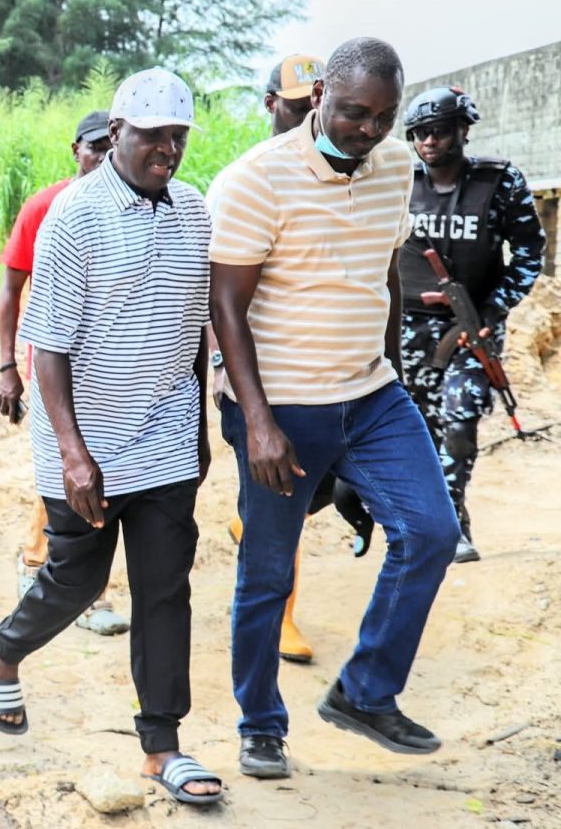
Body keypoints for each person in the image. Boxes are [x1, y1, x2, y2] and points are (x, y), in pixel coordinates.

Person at [209, 38, 461, 781]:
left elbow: (385, 273)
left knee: (432, 531)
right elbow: (226, 306)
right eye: (353, 112)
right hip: (283, 406)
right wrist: (257, 420)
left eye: (383, 117)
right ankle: (260, 724)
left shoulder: (396, 166)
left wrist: (396, 381)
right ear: (320, 96)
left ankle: (365, 691)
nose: (368, 130)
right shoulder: (255, 180)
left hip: (372, 396)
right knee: (267, 572)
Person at [0, 68, 220, 806]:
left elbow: (195, 331)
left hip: (166, 432)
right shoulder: (74, 217)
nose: (167, 150)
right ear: (116, 133)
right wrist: (75, 455)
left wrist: (199, 430)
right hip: (84, 440)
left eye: (177, 137)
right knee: (77, 579)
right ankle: (1, 647)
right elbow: (46, 347)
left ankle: (161, 746)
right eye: (152, 136)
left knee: (164, 587)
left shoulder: (194, 211)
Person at [211, 52, 368, 666]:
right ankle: (280, 619)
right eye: (296, 106)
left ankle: (251, 530)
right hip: (262, 380)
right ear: (271, 104)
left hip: (330, 375)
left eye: (315, 104)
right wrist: (225, 375)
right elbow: (218, 295)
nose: (308, 115)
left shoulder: (347, 174)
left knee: (302, 492)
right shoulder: (246, 179)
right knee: (283, 487)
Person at [0, 109, 132, 637]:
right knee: (69, 473)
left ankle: (55, 570)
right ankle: (55, 576)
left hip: (117, 377)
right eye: (94, 148)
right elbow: (10, 291)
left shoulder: (135, 206)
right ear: (76, 150)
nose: (103, 158)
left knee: (100, 475)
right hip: (57, 372)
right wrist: (7, 367)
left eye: (110, 148)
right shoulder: (46, 206)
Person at [399, 85, 546, 563]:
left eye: (439, 131)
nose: (428, 141)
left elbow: (530, 253)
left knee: (459, 421)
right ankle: (426, 523)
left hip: (473, 327)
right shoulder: (397, 182)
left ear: (463, 130)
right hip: (406, 327)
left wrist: (492, 309)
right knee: (418, 428)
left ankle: (450, 525)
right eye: (419, 133)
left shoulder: (499, 182)